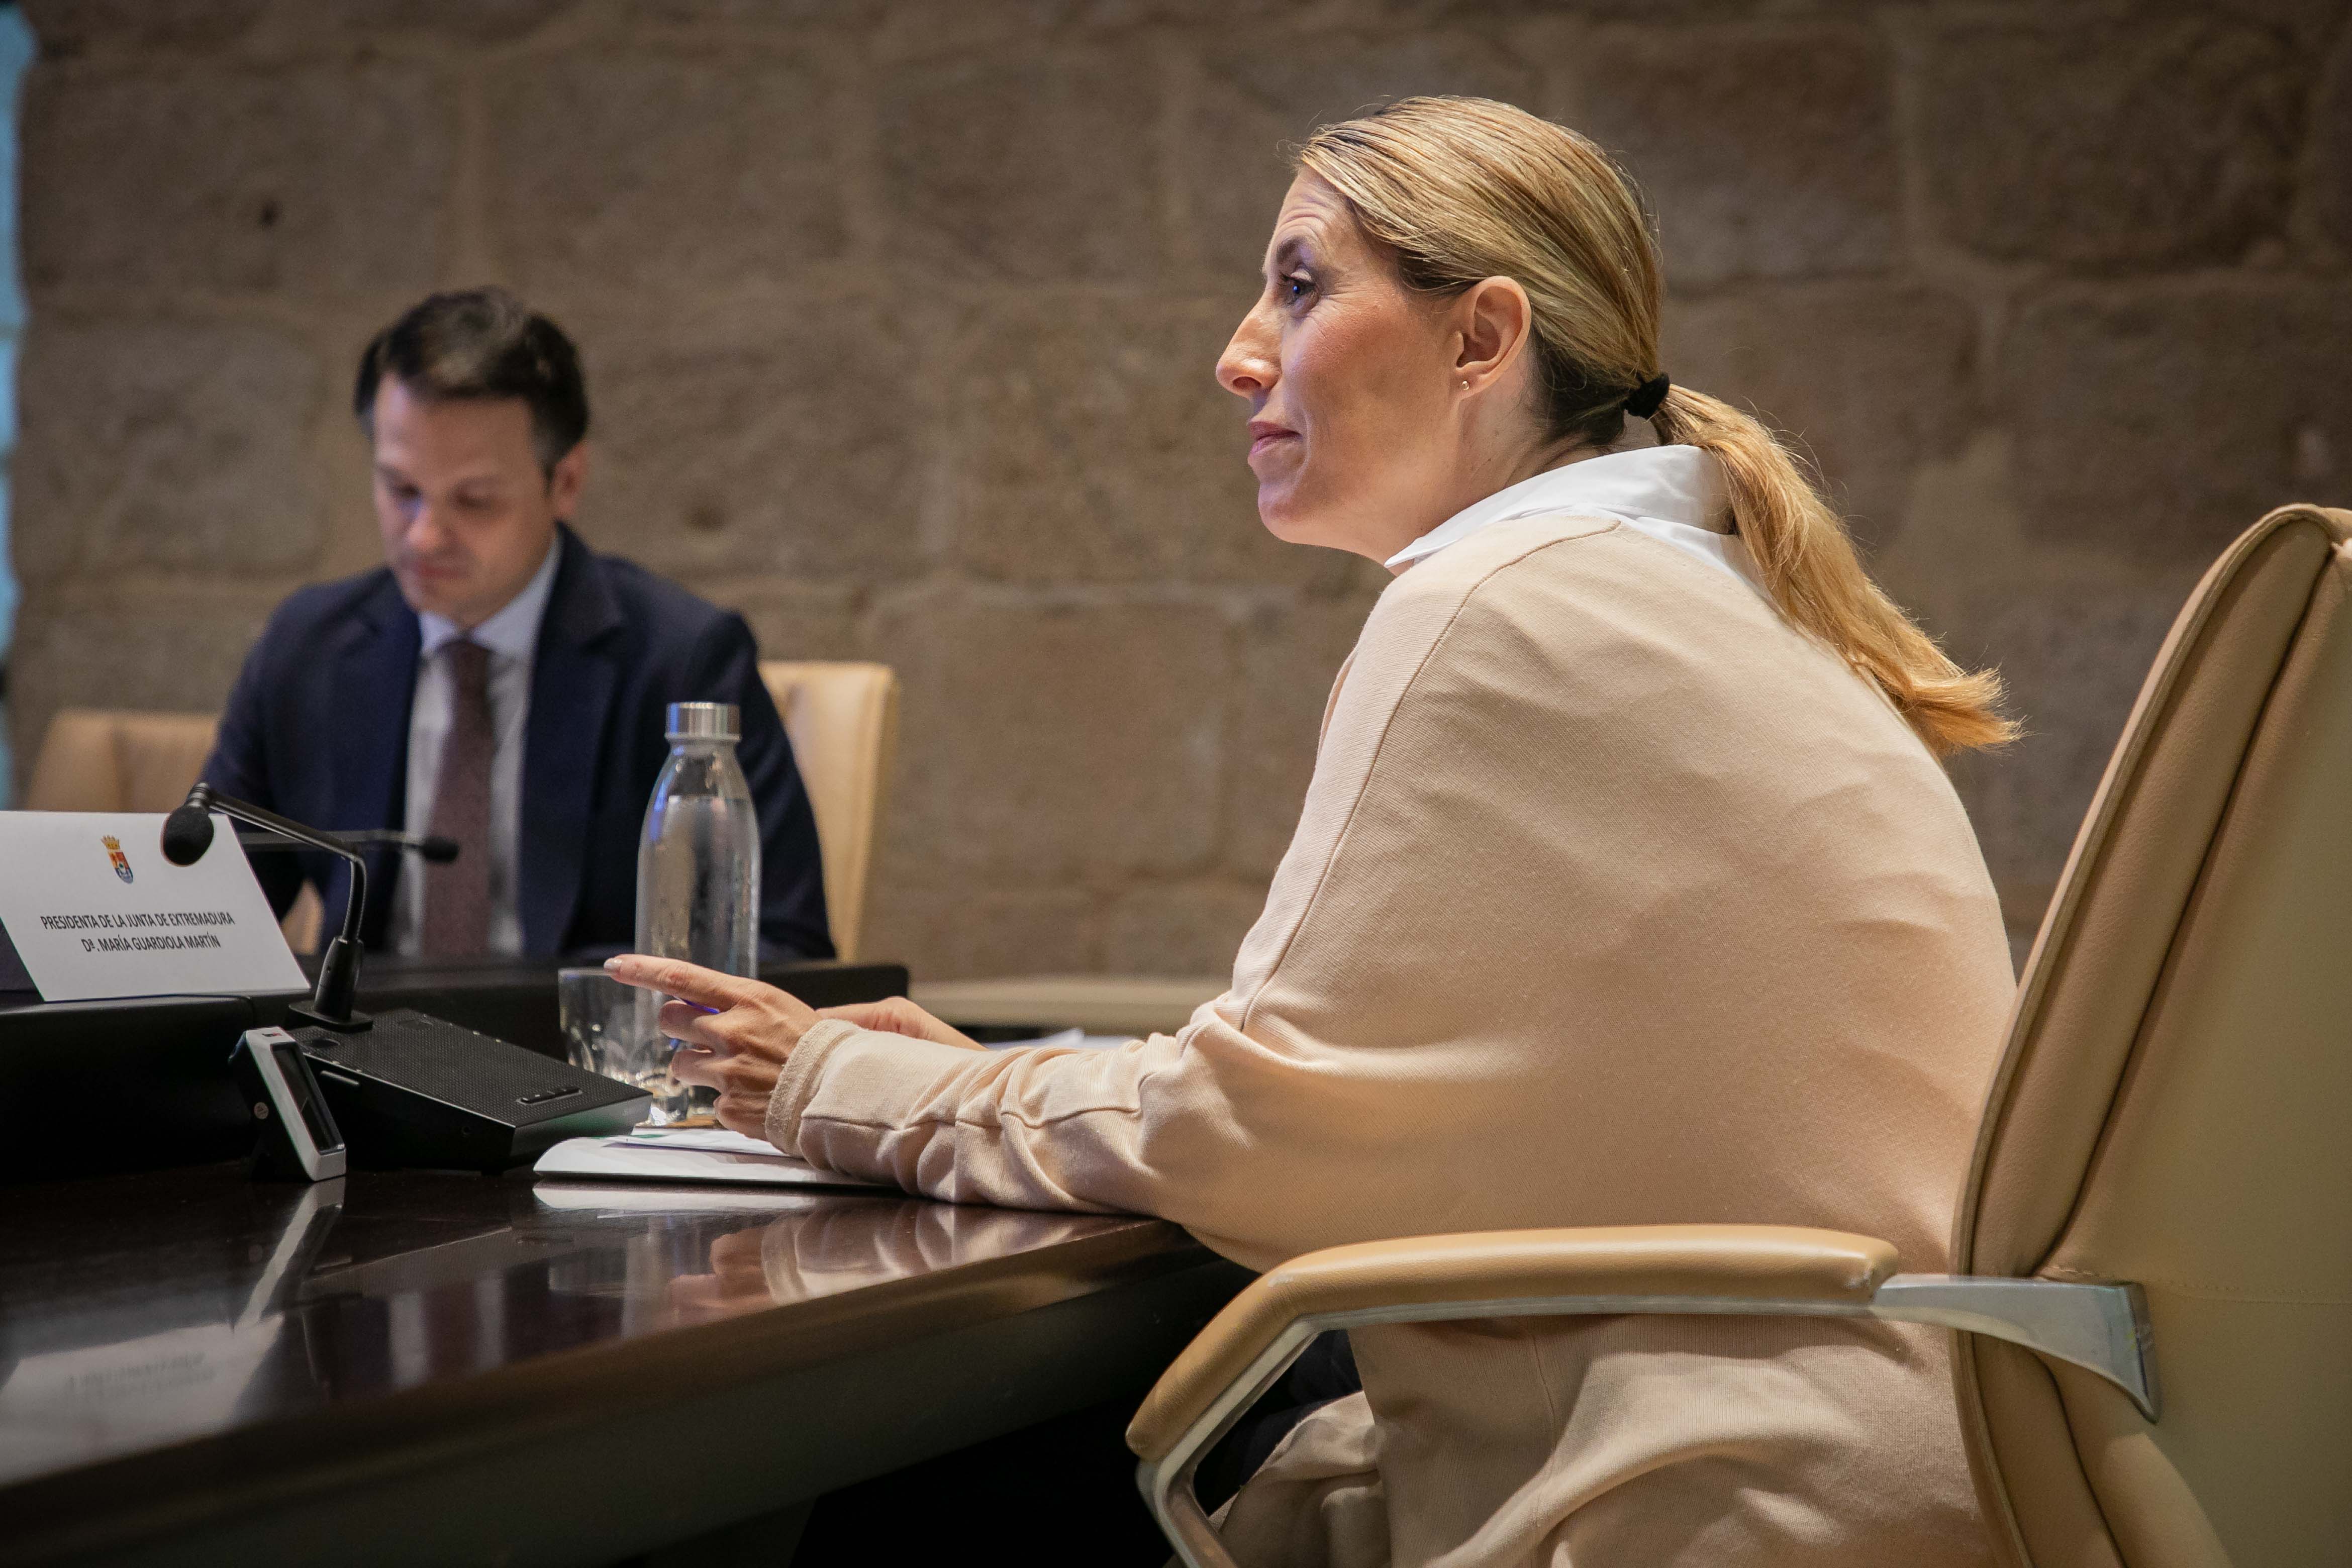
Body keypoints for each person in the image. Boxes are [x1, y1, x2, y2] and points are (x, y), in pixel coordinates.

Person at [610, 96, 2017, 1565]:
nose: (1239, 353)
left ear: (1481, 340)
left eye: (1299, 285)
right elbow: (1365, 1091)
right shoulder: (1701, 589)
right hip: (1887, 1451)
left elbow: (1251, 1131)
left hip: (1709, 1488)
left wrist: (837, 1075)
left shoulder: (1495, 605)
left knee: (924, 1486)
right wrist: (1000, 1081)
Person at [204, 288, 830, 962]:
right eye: (400, 488)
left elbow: (786, 948)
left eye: (474, 500)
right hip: (356, 1053)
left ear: (565, 482)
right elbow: (203, 921)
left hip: (577, 1057)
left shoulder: (683, 658)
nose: (424, 536)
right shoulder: (309, 646)